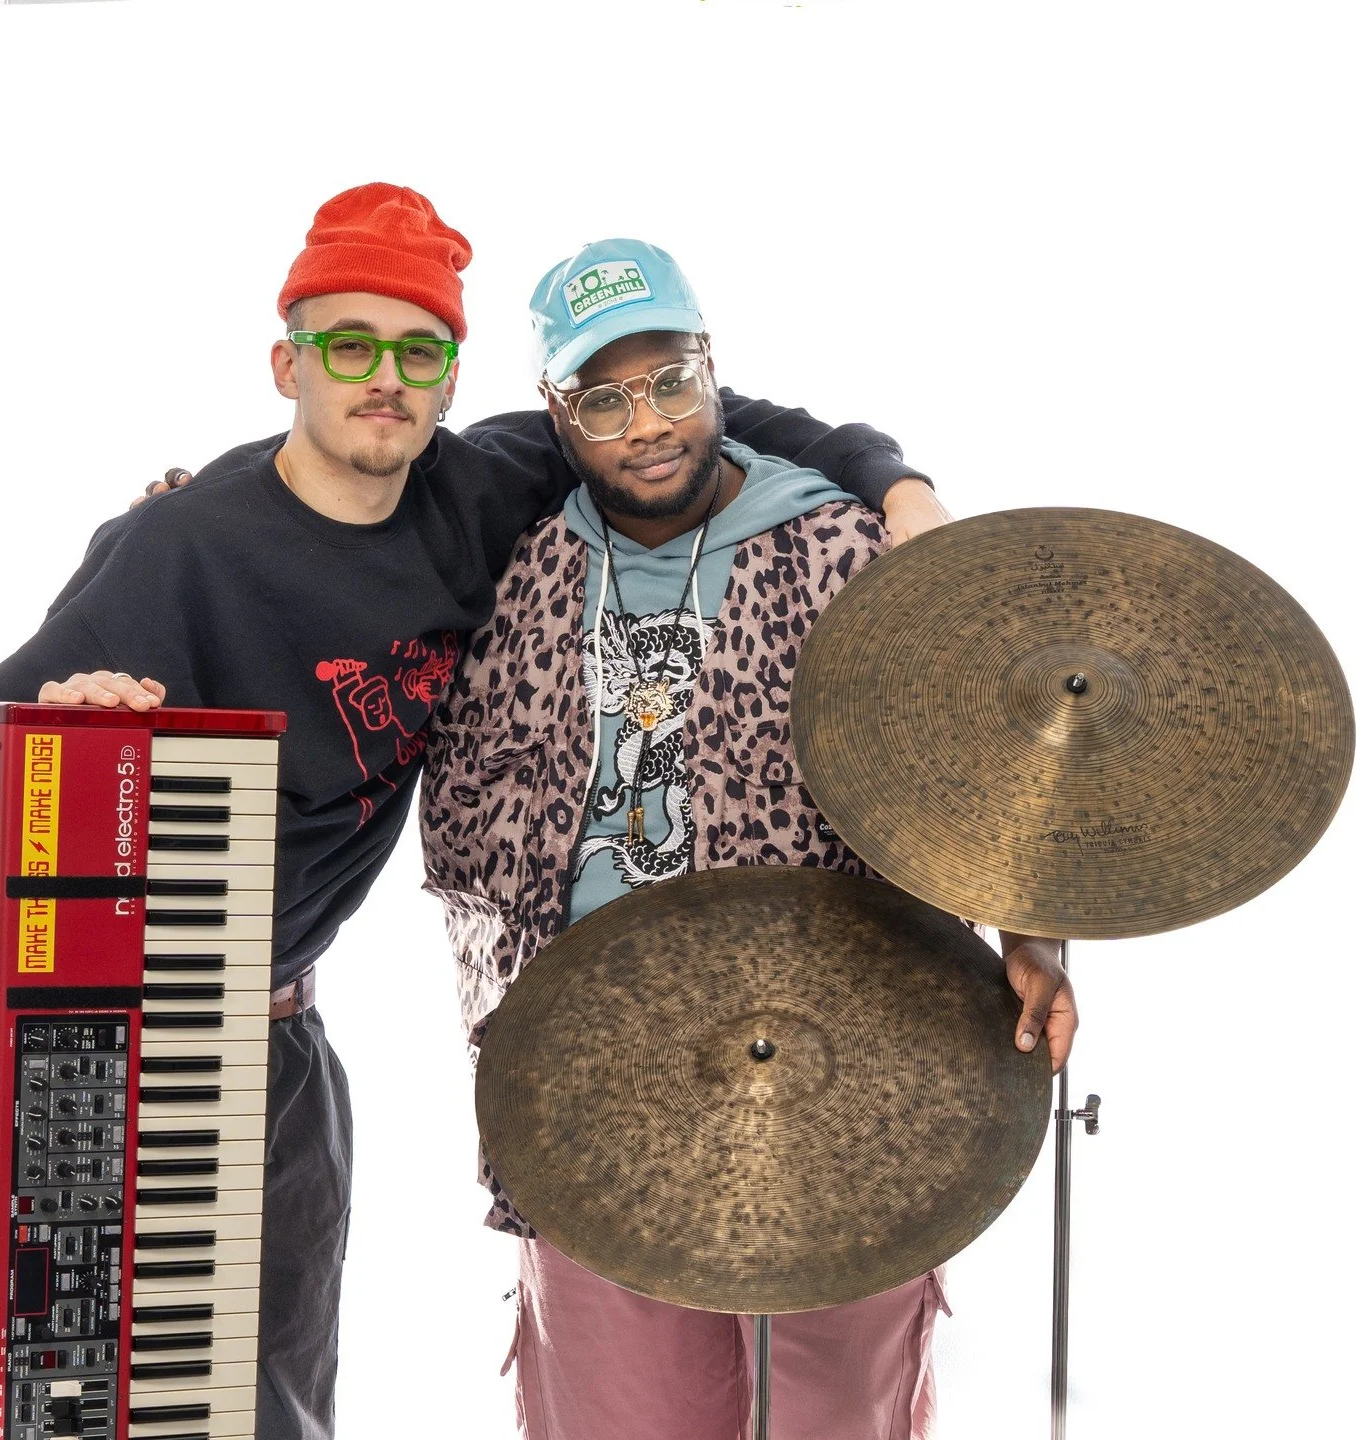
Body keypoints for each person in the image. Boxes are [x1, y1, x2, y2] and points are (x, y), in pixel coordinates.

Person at [0, 185, 947, 1440]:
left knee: (278, 1403)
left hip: (285, 1034)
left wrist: (895, 481)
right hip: (128, 1037)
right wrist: (77, 735)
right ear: (286, 364)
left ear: (453, 377)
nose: (385, 381)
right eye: (349, 347)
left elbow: (704, 416)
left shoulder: (480, 491)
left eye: (419, 353)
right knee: (80, 1411)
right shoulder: (184, 544)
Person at [418, 238, 1077, 1440]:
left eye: (672, 380)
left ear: (713, 367)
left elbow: (988, 763)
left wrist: (1040, 939)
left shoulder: (841, 547)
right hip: (593, 1081)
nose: (650, 424)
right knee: (621, 1414)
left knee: (839, 1412)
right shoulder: (518, 561)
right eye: (605, 400)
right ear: (557, 414)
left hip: (845, 1064)